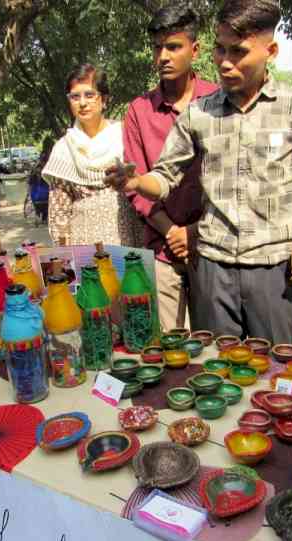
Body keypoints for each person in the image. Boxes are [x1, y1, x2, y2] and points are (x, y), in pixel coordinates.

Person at [107, 0, 292, 344]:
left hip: (273, 268)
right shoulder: (199, 113)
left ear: (270, 50)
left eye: (238, 52)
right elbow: (164, 177)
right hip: (212, 269)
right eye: (220, 50)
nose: (225, 63)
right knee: (216, 376)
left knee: (274, 375)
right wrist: (137, 181)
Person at [123, 4, 218, 331]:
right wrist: (172, 232)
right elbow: (136, 188)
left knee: (214, 349)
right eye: (157, 48)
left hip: (213, 248)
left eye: (173, 47)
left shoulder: (218, 103)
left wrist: (194, 232)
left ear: (195, 49)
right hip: (163, 250)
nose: (163, 56)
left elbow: (233, 182)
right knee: (171, 352)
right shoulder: (138, 111)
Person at [42, 63, 142, 246]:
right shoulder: (63, 150)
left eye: (89, 95)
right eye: (75, 97)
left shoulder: (125, 137)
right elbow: (59, 215)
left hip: (130, 242)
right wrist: (66, 256)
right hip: (85, 250)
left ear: (104, 99)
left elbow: (143, 190)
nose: (82, 103)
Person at [29, 139, 53, 224]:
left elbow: (30, 182)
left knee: (38, 200)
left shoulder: (37, 166)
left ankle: (40, 215)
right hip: (44, 191)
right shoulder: (49, 164)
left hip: (37, 193)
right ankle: (44, 217)